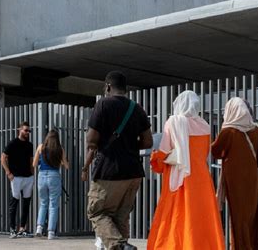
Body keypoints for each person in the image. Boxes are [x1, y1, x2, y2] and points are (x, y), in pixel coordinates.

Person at [147, 90, 225, 250]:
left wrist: (155, 161)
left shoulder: (173, 122)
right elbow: (204, 153)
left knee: (177, 215)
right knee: (200, 217)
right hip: (202, 178)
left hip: (179, 177)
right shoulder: (205, 125)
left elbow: (163, 151)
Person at [86, 70, 153, 250]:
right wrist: (129, 146)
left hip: (109, 171)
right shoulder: (137, 108)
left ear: (108, 86)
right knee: (121, 217)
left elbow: (91, 141)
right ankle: (122, 245)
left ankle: (119, 245)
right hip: (133, 172)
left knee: (96, 211)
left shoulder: (103, 105)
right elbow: (148, 141)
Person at [211, 97, 258, 250]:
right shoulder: (255, 130)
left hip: (235, 181)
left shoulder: (228, 131)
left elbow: (215, 151)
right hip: (252, 179)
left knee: (238, 216)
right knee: (251, 215)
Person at [0, 121, 34, 238]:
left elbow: (31, 160)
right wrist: (8, 172)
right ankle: (12, 229)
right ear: (19, 130)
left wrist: (32, 173)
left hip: (28, 177)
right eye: (25, 130)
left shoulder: (30, 145)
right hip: (16, 177)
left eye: (29, 131)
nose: (27, 132)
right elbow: (3, 158)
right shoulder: (12, 143)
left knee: (26, 203)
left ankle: (22, 229)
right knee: (14, 202)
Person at [33, 130, 69, 240]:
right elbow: (66, 166)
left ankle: (39, 228)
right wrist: (61, 162)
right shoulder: (60, 149)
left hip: (42, 176)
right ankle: (51, 233)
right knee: (53, 205)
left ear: (47, 138)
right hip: (54, 176)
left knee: (43, 203)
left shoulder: (40, 147)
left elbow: (34, 164)